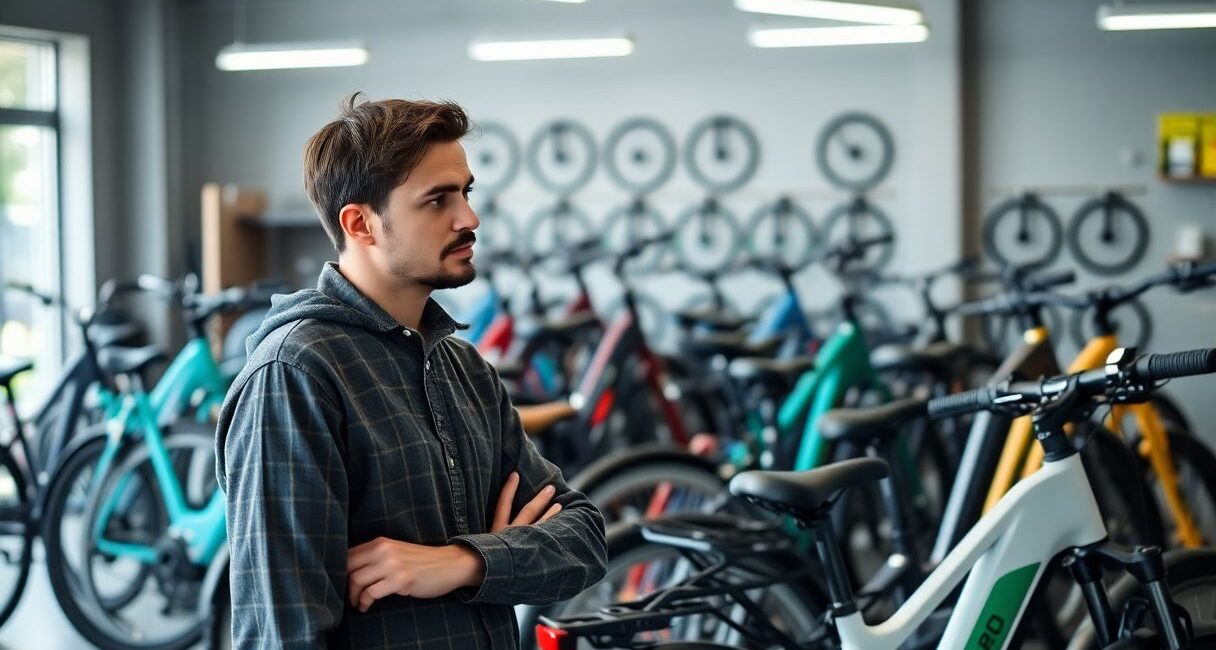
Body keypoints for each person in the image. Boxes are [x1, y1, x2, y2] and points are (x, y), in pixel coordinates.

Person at [215, 94, 607, 649]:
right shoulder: (297, 375)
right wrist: (513, 559)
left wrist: (462, 562)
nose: (469, 218)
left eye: (466, 193)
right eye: (437, 200)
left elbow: (585, 541)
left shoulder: (464, 369)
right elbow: (283, 635)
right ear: (361, 223)